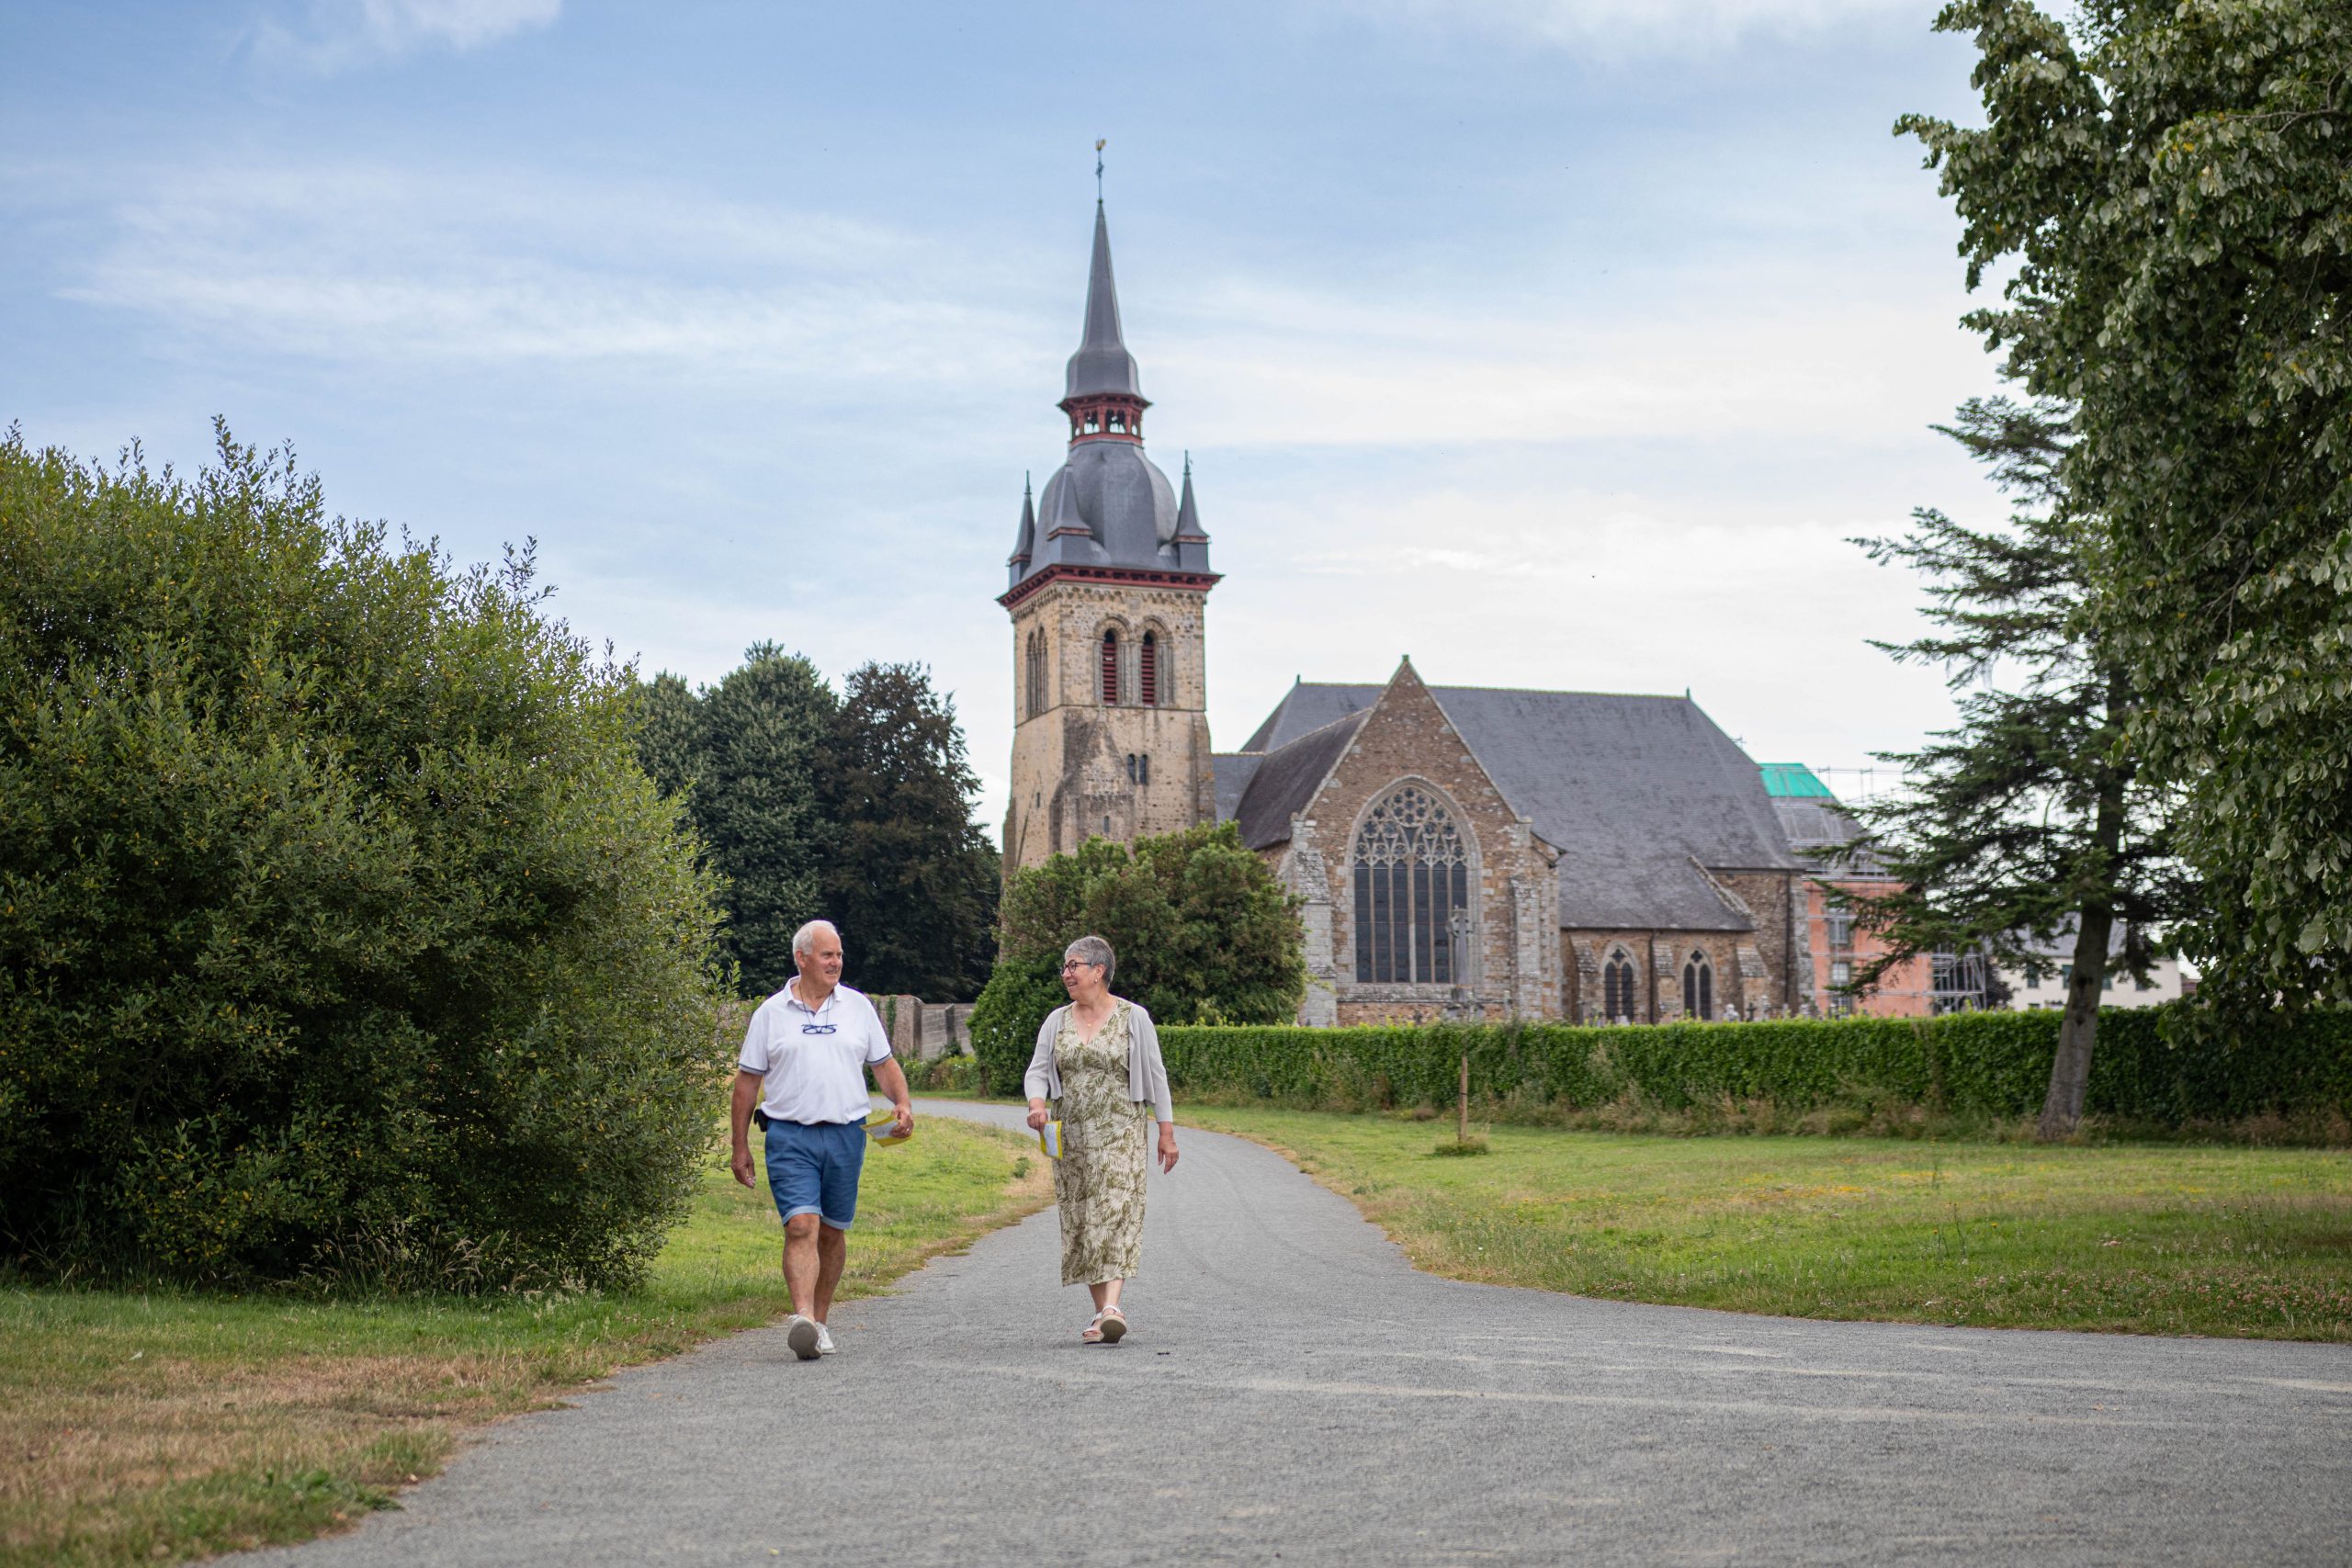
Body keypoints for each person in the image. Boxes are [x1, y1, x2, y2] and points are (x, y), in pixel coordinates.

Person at [730, 919, 914, 1361]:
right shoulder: (770, 1014)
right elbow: (747, 1083)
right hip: (789, 1136)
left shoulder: (858, 1007)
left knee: (831, 1231)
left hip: (846, 1135)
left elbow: (883, 1064)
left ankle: (822, 1322)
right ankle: (803, 1319)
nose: (836, 963)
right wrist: (739, 1146)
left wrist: (902, 1102)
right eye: (827, 955)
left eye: (839, 955)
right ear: (802, 958)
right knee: (801, 1226)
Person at [1023, 934, 1178, 1344]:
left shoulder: (1133, 1017)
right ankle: (1101, 1314)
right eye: (1064, 967)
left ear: (1099, 971)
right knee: (1082, 1219)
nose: (1066, 973)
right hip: (1071, 1136)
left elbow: (1156, 1076)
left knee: (1115, 1212)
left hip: (1121, 1132)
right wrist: (1037, 1103)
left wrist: (1166, 1133)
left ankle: (1112, 1307)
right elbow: (1037, 1071)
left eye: (1073, 965)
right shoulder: (1056, 1021)